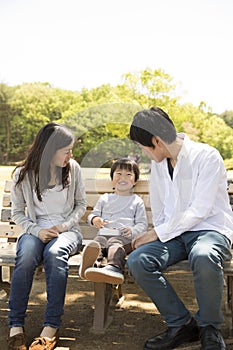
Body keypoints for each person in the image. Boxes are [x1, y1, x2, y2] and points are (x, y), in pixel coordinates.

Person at [126, 106, 233, 350]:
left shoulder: (208, 157)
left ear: (156, 140)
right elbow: (162, 207)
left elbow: (200, 210)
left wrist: (157, 233)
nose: (142, 152)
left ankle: (209, 327)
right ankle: (182, 324)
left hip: (210, 230)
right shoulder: (160, 165)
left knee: (203, 255)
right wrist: (157, 235)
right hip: (173, 234)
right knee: (138, 260)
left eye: (143, 146)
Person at [7, 123, 86, 350]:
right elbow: (17, 213)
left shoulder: (73, 169)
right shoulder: (23, 175)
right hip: (35, 230)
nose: (71, 155)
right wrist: (37, 231)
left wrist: (64, 226)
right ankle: (16, 326)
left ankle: (51, 327)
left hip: (67, 232)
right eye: (67, 150)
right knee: (27, 255)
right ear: (50, 149)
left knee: (54, 253)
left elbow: (81, 204)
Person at [79, 158, 148, 284]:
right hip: (104, 234)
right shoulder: (105, 198)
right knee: (97, 243)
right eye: (119, 174)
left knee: (114, 242)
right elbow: (93, 215)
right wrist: (95, 219)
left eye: (128, 175)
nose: (123, 178)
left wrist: (132, 230)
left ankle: (114, 268)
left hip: (125, 239)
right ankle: (92, 266)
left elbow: (142, 224)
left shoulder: (136, 201)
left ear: (135, 181)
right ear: (112, 178)